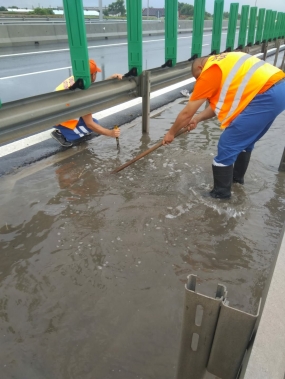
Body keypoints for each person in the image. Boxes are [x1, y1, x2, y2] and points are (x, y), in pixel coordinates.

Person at [163, 52, 285, 199]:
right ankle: (236, 182)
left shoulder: (210, 71)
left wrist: (171, 133)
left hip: (266, 95)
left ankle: (221, 196)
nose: (198, 81)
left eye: (197, 77)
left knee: (227, 144)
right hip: (279, 88)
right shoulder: (225, 62)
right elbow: (218, 106)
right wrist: (198, 118)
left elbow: (186, 113)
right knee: (245, 142)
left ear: (201, 67)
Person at [51, 59, 123, 147]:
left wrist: (110, 79)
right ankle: (60, 133)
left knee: (94, 122)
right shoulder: (81, 94)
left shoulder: (77, 79)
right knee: (90, 127)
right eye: (95, 73)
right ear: (92, 75)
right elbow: (90, 125)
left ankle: (66, 128)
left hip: (57, 111)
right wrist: (110, 133)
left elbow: (93, 90)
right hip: (58, 118)